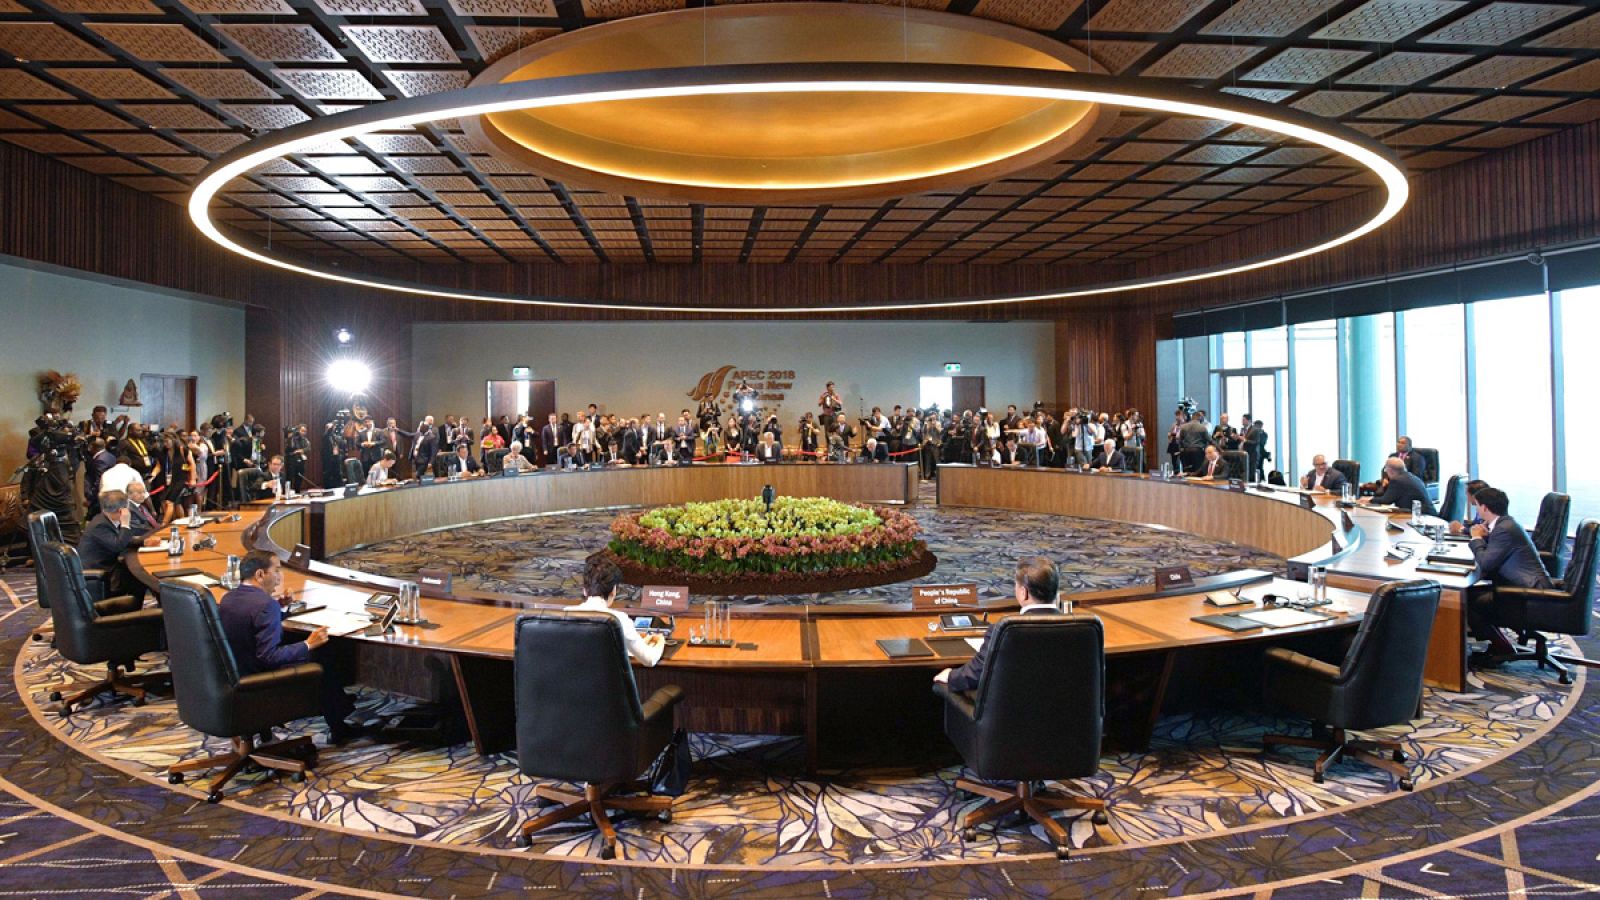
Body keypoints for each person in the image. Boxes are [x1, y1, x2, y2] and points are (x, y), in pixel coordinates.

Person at [218, 551, 359, 744]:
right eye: (276, 570)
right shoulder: (265, 605)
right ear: (260, 575)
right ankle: (338, 724)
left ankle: (338, 705)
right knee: (321, 655)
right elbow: (270, 657)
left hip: (236, 673)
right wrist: (308, 644)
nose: (280, 576)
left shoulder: (229, 598)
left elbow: (253, 624)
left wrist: (280, 607)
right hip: (259, 681)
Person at [934, 557, 1060, 691]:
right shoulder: (1082, 626)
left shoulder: (1006, 630)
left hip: (1012, 710)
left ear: (1024, 593)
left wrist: (951, 676)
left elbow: (976, 674)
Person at [1464, 487, 1554, 662]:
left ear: (1484, 508)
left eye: (1477, 507)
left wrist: (1476, 539)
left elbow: (1486, 563)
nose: (1477, 510)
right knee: (1470, 593)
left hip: (1528, 596)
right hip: (1524, 588)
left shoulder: (1504, 529)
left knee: (1467, 601)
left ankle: (1501, 646)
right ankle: (1498, 642)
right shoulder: (1506, 524)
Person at [574, 557, 664, 667]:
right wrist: (661, 641)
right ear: (614, 591)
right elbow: (649, 659)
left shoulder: (563, 616)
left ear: (584, 590)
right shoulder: (618, 620)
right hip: (607, 684)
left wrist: (641, 642)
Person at [76, 490, 160, 601]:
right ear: (122, 510)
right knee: (140, 576)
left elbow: (119, 539)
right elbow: (118, 546)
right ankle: (132, 611)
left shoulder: (105, 519)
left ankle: (138, 607)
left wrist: (143, 542)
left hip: (107, 567)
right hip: (99, 574)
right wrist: (125, 523)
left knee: (138, 573)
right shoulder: (100, 525)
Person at [1362, 457, 1436, 516]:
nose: (1386, 473)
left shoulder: (1397, 481)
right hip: (1427, 515)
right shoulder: (1411, 477)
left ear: (1390, 470)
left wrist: (1369, 500)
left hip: (1422, 517)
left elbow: (1386, 500)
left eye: (1386, 470)